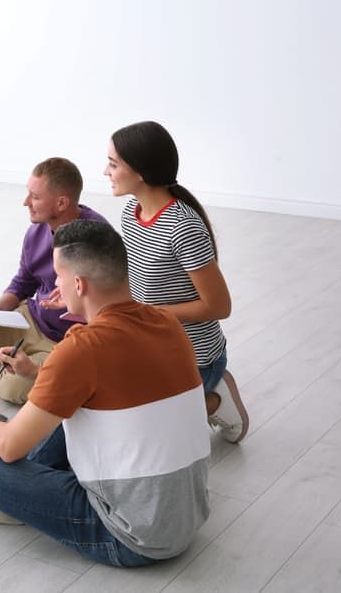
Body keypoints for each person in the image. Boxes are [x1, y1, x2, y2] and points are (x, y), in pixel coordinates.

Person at [0, 220, 210, 567]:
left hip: (129, 536)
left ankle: (9, 503)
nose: (53, 287)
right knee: (64, 414)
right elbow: (111, 382)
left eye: (58, 278)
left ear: (79, 284)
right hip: (187, 517)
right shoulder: (166, 323)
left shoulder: (80, 349)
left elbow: (9, 446)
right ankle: (19, 497)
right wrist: (38, 371)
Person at [103, 120, 249, 443]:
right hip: (148, 345)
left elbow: (219, 306)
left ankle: (215, 399)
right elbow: (136, 280)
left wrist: (151, 314)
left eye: (113, 164)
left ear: (140, 172)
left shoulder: (183, 227)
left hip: (194, 357)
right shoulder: (131, 213)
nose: (105, 172)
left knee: (143, 430)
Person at [0, 158, 107, 404]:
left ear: (61, 202)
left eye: (34, 197)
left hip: (65, 341)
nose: (26, 202)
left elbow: (107, 310)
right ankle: (5, 359)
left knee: (14, 389)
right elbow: (24, 280)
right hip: (27, 319)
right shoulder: (37, 230)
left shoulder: (98, 238)